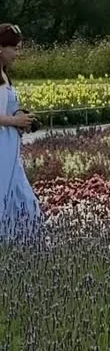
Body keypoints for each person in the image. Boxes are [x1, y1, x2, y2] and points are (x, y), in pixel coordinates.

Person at [0, 24, 42, 241]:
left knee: (24, 199)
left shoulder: (5, 76)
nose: (18, 54)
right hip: (1, 150)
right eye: (14, 48)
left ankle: (25, 247)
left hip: (11, 149)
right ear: (0, 48)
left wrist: (22, 118)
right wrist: (14, 120)